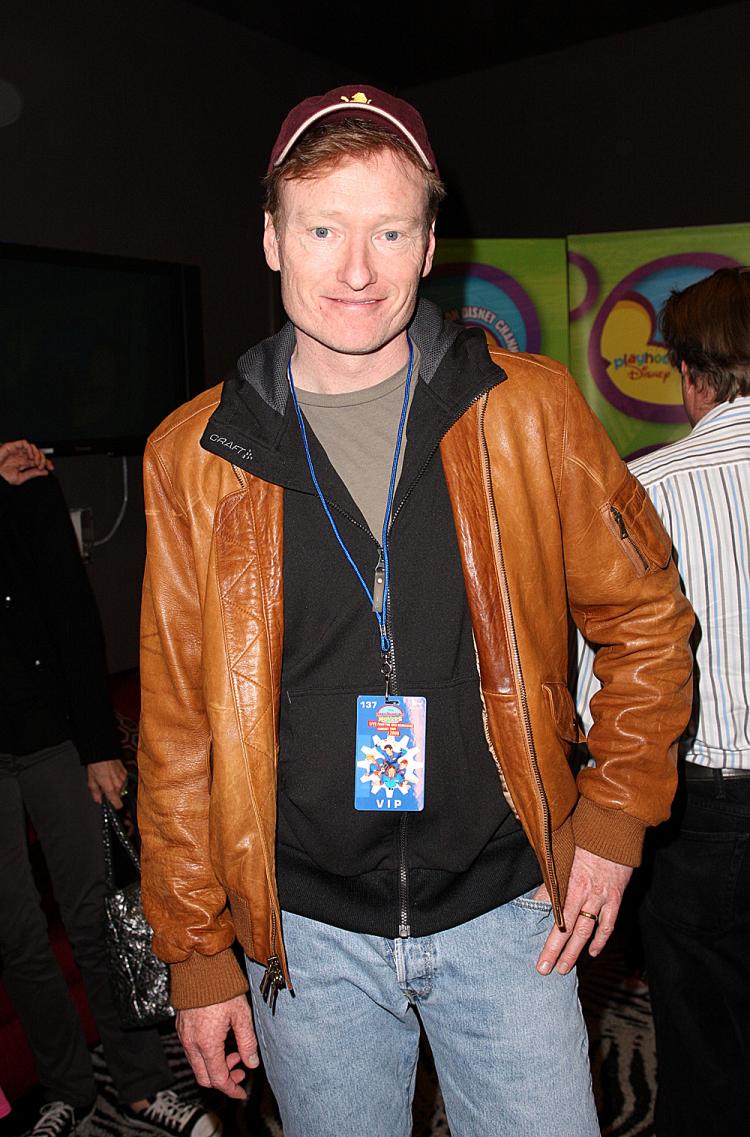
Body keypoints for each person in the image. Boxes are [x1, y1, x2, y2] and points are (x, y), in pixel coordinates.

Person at [137, 86, 694, 1137]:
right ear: (271, 239)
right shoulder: (193, 456)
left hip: (510, 915)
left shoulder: (529, 412)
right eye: (323, 229)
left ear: (430, 242)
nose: (357, 269)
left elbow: (650, 622)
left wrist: (615, 819)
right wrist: (197, 950)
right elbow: (177, 730)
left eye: (389, 229)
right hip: (304, 942)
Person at [0, 442, 220, 1137]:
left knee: (97, 921)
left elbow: (72, 610)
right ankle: (66, 1087)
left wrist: (99, 747)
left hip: (54, 738)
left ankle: (142, 1082)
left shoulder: (25, 476)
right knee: (18, 938)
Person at [579, 267, 750, 1135]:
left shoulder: (648, 489)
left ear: (690, 375)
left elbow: (597, 685)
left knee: (705, 1049)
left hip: (706, 815)